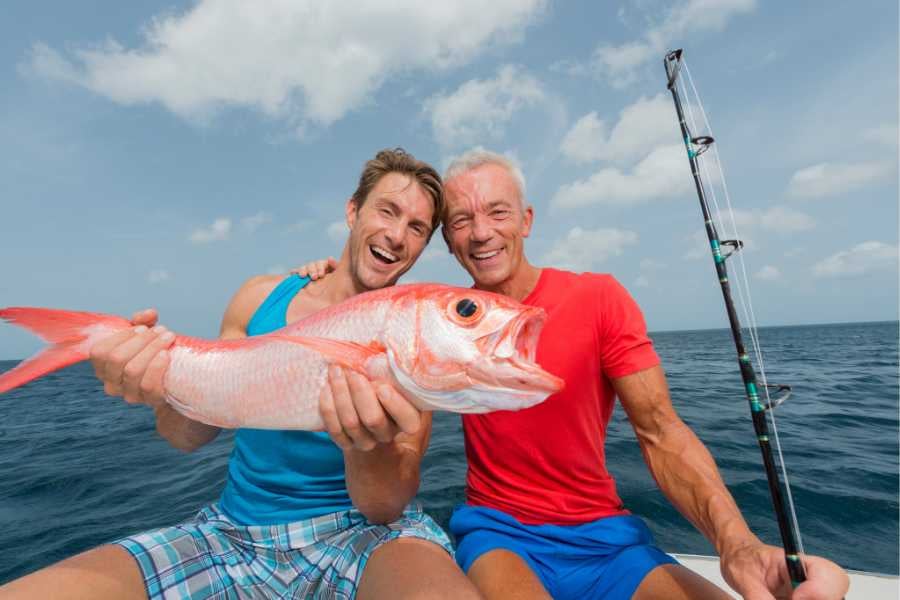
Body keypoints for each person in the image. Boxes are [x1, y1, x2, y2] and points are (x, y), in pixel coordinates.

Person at [298, 149, 850, 600]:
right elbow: (402, 434)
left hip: (609, 540)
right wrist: (323, 276)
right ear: (449, 241)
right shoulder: (440, 324)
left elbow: (662, 433)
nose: (482, 232)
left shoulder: (599, 298)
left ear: (527, 220)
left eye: (498, 212)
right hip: (498, 535)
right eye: (461, 220)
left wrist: (737, 546)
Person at [0, 149, 481, 600]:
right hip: (233, 532)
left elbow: (384, 507)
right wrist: (156, 388)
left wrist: (365, 442)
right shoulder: (258, 297)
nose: (398, 235)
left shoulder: (415, 336)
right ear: (353, 211)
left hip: (366, 536)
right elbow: (187, 436)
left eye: (418, 228)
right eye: (387, 211)